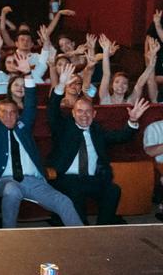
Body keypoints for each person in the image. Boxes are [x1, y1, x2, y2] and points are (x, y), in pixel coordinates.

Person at [0, 55, 82, 228]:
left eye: (12, 112)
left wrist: (28, 74)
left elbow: (30, 104)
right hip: (4, 180)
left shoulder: (24, 125)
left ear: (17, 115)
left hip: (34, 180)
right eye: (4, 113)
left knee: (64, 201)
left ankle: (83, 237)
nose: (8, 116)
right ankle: (9, 235)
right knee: (12, 190)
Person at [47, 63, 147, 225]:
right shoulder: (64, 127)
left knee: (113, 190)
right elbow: (52, 112)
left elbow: (120, 137)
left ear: (94, 114)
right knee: (75, 191)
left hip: (94, 178)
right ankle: (82, 228)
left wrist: (133, 121)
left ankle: (103, 227)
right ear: (73, 113)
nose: (84, 115)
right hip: (68, 177)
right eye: (79, 111)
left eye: (88, 112)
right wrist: (60, 85)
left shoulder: (97, 130)